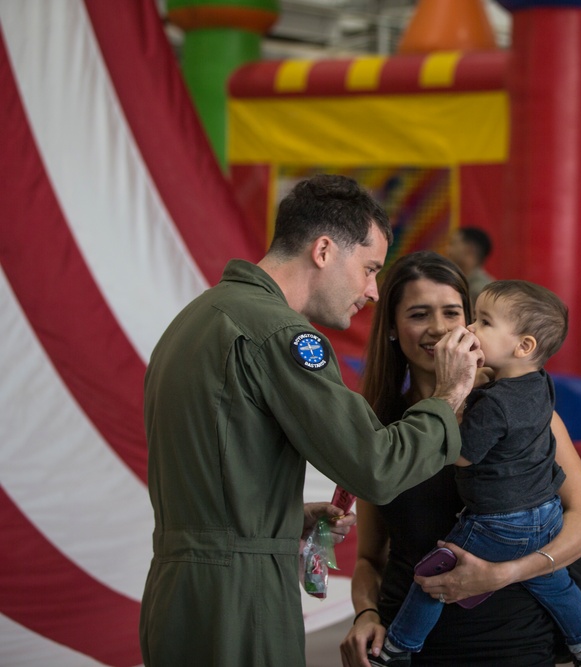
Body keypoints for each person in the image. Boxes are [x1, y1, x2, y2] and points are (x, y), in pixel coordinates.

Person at [139, 175, 483, 666]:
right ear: (323, 250)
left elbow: (206, 476)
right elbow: (375, 467)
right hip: (238, 598)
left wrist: (282, 522)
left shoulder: (196, 319)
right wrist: (449, 395)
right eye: (369, 268)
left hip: (177, 595)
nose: (372, 290)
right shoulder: (282, 334)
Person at [341, 251, 581, 667]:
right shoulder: (380, 426)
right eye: (418, 314)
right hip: (413, 645)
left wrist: (504, 573)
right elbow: (369, 558)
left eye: (453, 313)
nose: (439, 328)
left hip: (513, 641)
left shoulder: (517, 408)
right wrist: (365, 613)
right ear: (394, 329)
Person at [445, 226, 495, 305]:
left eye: (453, 244)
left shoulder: (480, 291)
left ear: (469, 250)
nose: (448, 250)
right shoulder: (464, 284)